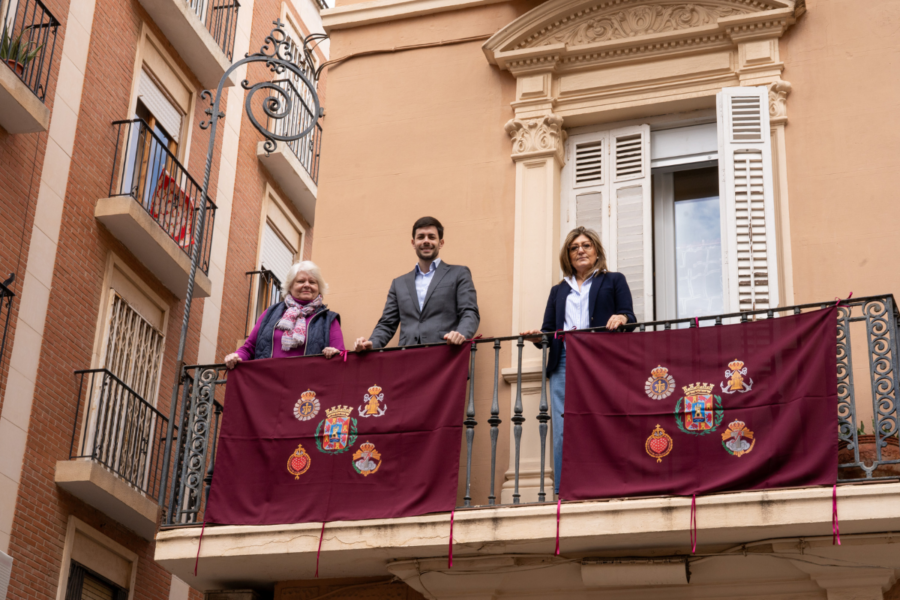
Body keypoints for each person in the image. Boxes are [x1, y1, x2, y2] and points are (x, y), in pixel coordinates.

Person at [521, 226, 635, 495]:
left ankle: (610, 484)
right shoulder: (558, 291)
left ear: (596, 251)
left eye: (586, 245)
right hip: (563, 360)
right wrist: (538, 338)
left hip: (601, 360)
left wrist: (622, 317)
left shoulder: (614, 280)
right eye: (574, 247)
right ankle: (565, 489)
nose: (580, 250)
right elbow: (548, 331)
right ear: (568, 255)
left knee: (604, 421)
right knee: (563, 428)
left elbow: (629, 317)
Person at [354, 216, 479, 350]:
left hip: (445, 354)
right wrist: (372, 343)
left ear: (441, 243)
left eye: (431, 237)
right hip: (408, 357)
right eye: (421, 237)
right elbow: (387, 324)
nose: (426, 241)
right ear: (413, 243)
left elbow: (469, 312)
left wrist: (461, 334)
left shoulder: (459, 273)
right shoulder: (398, 284)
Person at [225, 261, 344, 368]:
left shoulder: (328, 319)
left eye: (312, 282)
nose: (307, 285)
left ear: (319, 288)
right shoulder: (271, 313)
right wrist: (236, 356)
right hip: (268, 381)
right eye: (301, 281)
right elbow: (249, 348)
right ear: (290, 286)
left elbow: (340, 354)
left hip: (306, 384)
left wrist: (334, 353)